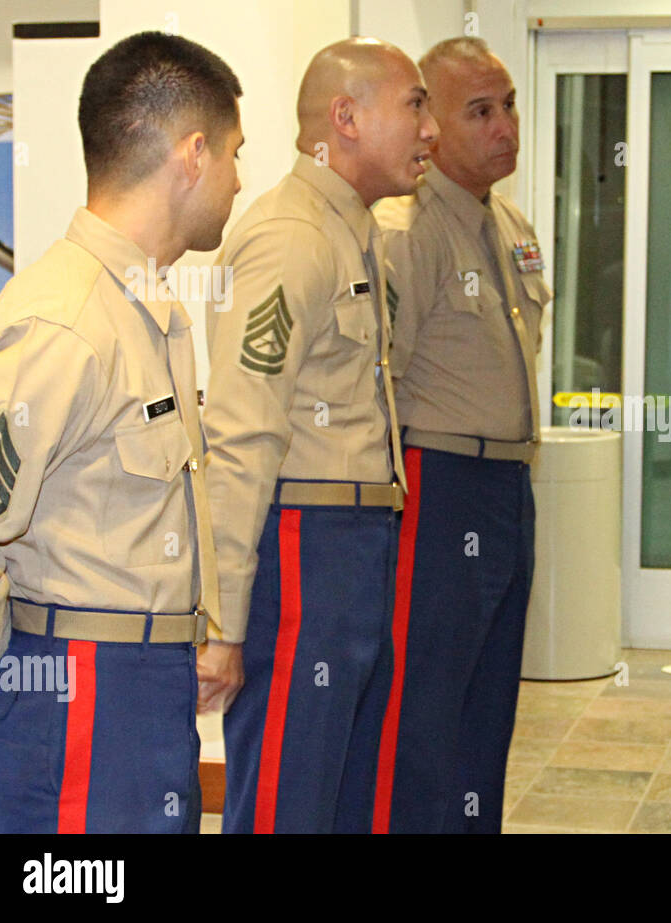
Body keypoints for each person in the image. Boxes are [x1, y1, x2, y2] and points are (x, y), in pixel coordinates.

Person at [0, 32, 242, 833]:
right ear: (193, 154)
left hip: (139, 690)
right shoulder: (65, 320)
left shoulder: (144, 307)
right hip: (74, 696)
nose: (238, 178)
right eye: (233, 153)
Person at [199, 38, 436, 834]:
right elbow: (241, 434)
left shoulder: (351, 227)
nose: (429, 129)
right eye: (414, 104)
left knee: (345, 791)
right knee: (290, 794)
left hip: (355, 541)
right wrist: (224, 621)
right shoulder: (290, 237)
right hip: (305, 544)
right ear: (347, 118)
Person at [375, 36, 550, 833]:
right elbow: (383, 380)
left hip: (510, 484)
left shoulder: (509, 222)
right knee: (426, 708)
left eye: (508, 103)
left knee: (490, 702)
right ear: (431, 128)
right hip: (437, 487)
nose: (505, 125)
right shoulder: (406, 230)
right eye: (480, 111)